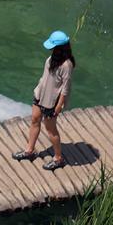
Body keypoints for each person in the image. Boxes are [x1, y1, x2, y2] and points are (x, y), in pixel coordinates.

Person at [14, 30, 75, 170]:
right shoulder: (52, 58)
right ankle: (30, 150)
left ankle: (58, 158)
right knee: (35, 120)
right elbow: (45, 77)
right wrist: (37, 92)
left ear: (60, 48)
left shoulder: (66, 65)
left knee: (51, 130)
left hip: (52, 102)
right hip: (40, 95)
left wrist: (59, 106)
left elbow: (65, 89)